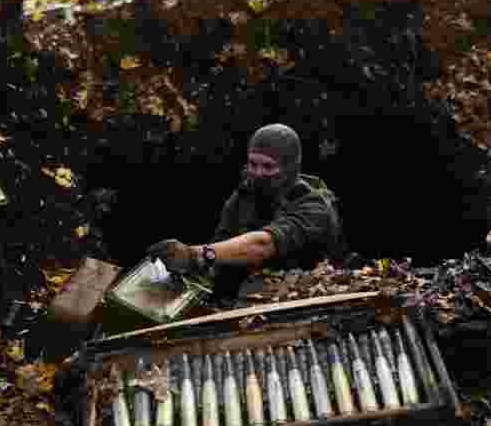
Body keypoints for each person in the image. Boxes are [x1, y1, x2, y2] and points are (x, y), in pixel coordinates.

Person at [147, 123, 350, 302]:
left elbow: (264, 244)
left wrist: (196, 254)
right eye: (253, 164)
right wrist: (184, 271)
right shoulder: (245, 197)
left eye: (268, 166)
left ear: (289, 168)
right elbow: (222, 249)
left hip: (305, 300)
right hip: (248, 299)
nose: (258, 173)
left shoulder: (314, 207)